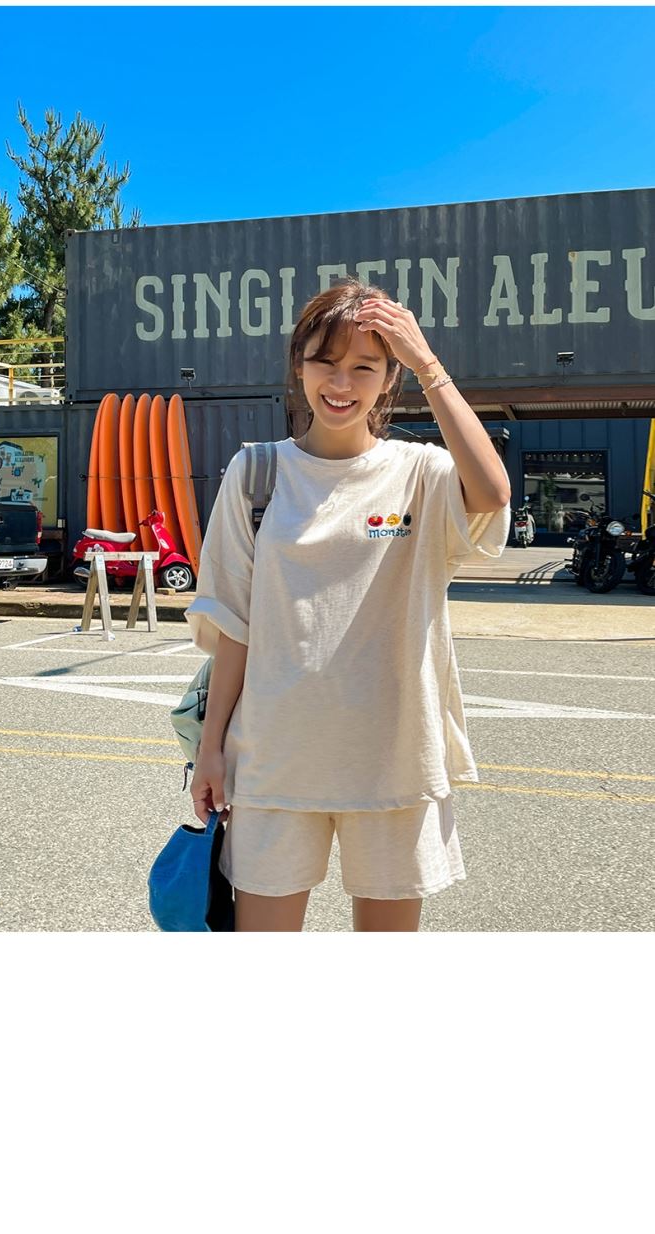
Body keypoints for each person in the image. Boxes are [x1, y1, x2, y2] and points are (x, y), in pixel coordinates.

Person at [185, 277, 511, 932]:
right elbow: (233, 622)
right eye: (325, 362)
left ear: (390, 380)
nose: (341, 383)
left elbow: (493, 493)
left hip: (394, 756)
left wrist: (430, 364)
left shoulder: (420, 472)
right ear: (299, 366)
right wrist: (211, 747)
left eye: (365, 366)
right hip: (275, 756)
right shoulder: (256, 474)